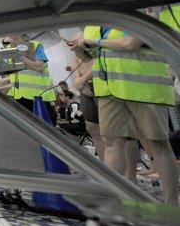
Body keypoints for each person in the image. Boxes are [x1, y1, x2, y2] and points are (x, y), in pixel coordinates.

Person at [68, 23, 178, 204]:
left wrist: (93, 41)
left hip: (144, 87)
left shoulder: (130, 15)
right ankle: (114, 201)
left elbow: (131, 44)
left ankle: (172, 203)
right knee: (112, 142)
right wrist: (80, 49)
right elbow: (92, 57)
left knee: (158, 143)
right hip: (109, 90)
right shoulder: (93, 27)